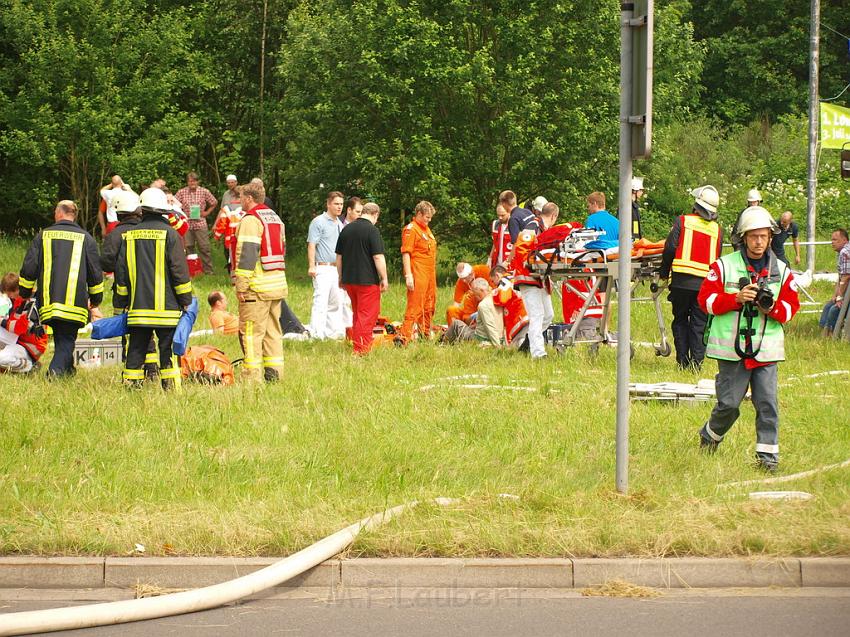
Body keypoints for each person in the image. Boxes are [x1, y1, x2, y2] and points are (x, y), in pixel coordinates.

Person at [698, 205, 800, 472]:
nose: (758, 241)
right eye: (753, 236)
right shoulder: (723, 266)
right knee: (729, 404)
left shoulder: (781, 269)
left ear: (770, 237)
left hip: (766, 350)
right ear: (743, 237)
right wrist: (734, 299)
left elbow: (791, 308)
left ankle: (767, 459)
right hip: (732, 351)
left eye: (763, 236)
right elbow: (705, 301)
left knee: (767, 403)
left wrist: (772, 308)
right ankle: (710, 435)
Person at [114, 188, 192, 390]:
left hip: (138, 310)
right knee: (168, 352)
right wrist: (186, 300)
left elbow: (121, 275)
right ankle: (171, 389)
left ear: (143, 210)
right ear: (164, 211)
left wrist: (121, 304)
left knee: (136, 350)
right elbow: (179, 272)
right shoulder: (171, 235)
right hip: (167, 310)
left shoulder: (129, 236)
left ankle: (131, 387)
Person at [18, 200, 103, 377]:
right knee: (66, 338)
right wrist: (95, 300)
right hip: (75, 304)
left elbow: (29, 268)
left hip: (49, 301)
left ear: (59, 213)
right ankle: (55, 373)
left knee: (62, 337)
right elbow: (95, 274)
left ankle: (67, 371)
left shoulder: (43, 236)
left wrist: (24, 293)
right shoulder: (86, 238)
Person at [658, 185, 722, 370]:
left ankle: (682, 361)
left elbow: (670, 248)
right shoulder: (717, 230)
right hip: (704, 285)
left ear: (696, 205)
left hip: (681, 283)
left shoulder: (682, 221)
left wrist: (664, 273)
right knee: (699, 323)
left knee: (680, 320)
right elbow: (716, 258)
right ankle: (697, 364)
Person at [232, 180, 288, 381]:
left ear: (248, 198)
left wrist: (241, 285)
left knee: (251, 334)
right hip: (276, 284)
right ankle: (275, 374)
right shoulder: (274, 217)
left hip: (257, 288)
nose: (238, 201)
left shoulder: (250, 220)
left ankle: (251, 377)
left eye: (240, 197)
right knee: (273, 332)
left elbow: (247, 255)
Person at [335, 202, 389, 354]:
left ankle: (356, 343)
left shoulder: (346, 229)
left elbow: (339, 257)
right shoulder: (372, 231)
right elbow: (378, 257)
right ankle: (361, 350)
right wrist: (384, 278)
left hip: (349, 280)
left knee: (357, 314)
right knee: (367, 316)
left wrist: (341, 277)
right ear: (375, 214)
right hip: (367, 281)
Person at [511, 201, 559, 359]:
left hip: (539, 278)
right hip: (528, 277)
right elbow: (521, 247)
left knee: (548, 315)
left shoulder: (542, 229)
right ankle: (538, 353)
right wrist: (531, 264)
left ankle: (527, 344)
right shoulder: (533, 226)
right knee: (537, 315)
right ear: (553, 216)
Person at [307, 191, 346, 339]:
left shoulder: (339, 224)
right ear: (328, 204)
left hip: (336, 268)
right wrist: (312, 266)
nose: (339, 207)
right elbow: (312, 245)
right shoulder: (318, 221)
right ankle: (316, 333)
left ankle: (332, 333)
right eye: (336, 204)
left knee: (336, 302)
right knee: (321, 302)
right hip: (322, 267)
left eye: (341, 204)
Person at [399, 201, 438, 341]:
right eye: (427, 217)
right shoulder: (411, 229)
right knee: (415, 304)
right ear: (419, 214)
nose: (429, 220)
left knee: (429, 303)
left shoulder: (426, 229)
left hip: (430, 273)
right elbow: (406, 253)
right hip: (418, 271)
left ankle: (425, 333)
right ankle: (404, 336)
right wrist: (408, 275)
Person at [0, 273, 47, 373]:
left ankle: (30, 367)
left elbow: (19, 328)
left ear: (16, 290)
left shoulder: (31, 303)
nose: (8, 297)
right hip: (17, 341)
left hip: (31, 347)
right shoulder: (18, 300)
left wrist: (2, 322)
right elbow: (13, 322)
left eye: (9, 294)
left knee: (2, 359)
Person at [175, 172, 218, 275]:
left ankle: (208, 271)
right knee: (188, 247)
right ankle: (192, 270)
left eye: (194, 180)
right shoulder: (182, 192)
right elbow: (173, 203)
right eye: (190, 181)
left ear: (198, 181)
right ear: (187, 182)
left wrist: (207, 212)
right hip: (187, 224)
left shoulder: (204, 191)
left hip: (200, 223)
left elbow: (214, 202)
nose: (192, 183)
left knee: (204, 247)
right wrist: (180, 213)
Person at [444, 278, 504, 346]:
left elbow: (489, 327)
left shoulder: (483, 305)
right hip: (500, 338)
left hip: (483, 340)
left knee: (456, 324)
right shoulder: (497, 299)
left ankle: (442, 343)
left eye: (476, 295)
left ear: (482, 290)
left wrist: (497, 346)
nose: (476, 298)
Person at [100, 190, 142, 273]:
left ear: (119, 213)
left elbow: (106, 264)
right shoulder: (149, 230)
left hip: (122, 284)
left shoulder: (115, 234)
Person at [819, 228, 850, 336]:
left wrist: (840, 298)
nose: (832, 242)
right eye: (832, 239)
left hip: (848, 292)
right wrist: (835, 295)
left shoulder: (845, 252)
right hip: (846, 291)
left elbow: (846, 277)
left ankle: (832, 335)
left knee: (834, 309)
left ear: (845, 240)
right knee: (829, 305)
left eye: (835, 240)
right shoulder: (840, 252)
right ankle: (825, 333)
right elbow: (840, 277)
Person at [490, 265, 529, 348]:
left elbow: (502, 299)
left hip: (520, 316)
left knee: (518, 343)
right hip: (527, 311)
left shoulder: (505, 281)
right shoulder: (513, 276)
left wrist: (492, 294)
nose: (493, 284)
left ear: (497, 275)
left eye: (493, 281)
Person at [214, 175, 242, 267]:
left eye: (232, 182)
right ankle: (230, 266)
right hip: (227, 226)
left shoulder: (242, 194)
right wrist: (216, 224)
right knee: (227, 247)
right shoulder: (226, 194)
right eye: (228, 182)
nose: (230, 184)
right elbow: (222, 210)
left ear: (236, 182)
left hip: (240, 227)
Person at [489, 204, 512, 268]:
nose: (500, 218)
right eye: (498, 215)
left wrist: (508, 261)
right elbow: (494, 243)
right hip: (497, 263)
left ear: (509, 212)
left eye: (502, 215)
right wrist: (490, 258)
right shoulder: (496, 224)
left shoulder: (514, 225)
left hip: (509, 263)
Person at [631, 177, 644, 241]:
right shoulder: (626, 207)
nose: (642, 192)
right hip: (629, 243)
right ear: (634, 191)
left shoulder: (634, 206)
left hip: (635, 242)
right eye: (641, 190)